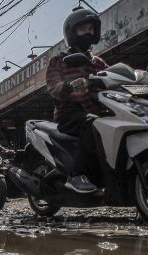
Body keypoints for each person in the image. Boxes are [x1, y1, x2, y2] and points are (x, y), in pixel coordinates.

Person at [46, 7, 108, 194]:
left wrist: (143, 77)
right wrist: (69, 86)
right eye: (83, 29)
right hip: (69, 115)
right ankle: (76, 174)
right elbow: (53, 86)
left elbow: (116, 76)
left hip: (98, 111)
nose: (88, 33)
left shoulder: (98, 62)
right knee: (91, 124)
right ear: (72, 33)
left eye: (91, 29)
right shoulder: (59, 61)